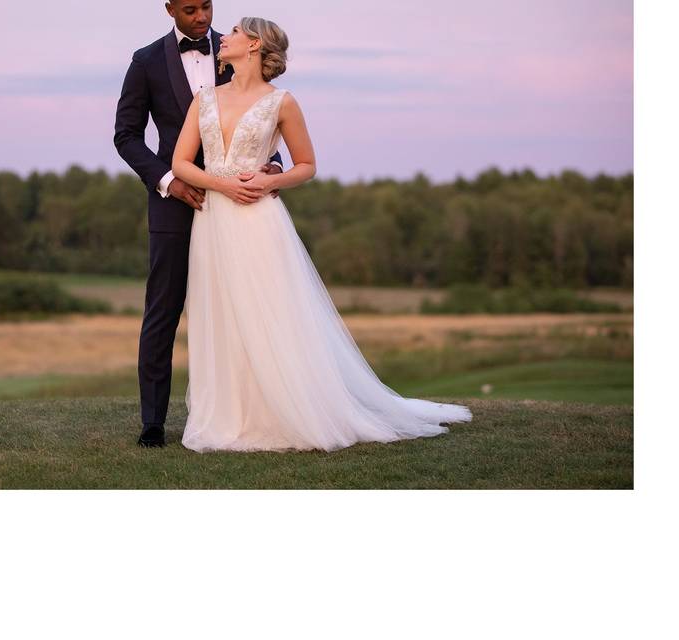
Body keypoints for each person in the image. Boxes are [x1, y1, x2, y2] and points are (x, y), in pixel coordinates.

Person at [171, 17, 474, 452]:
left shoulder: (283, 103)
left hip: (258, 220)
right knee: (220, 313)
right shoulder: (203, 99)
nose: (226, 37)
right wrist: (221, 184)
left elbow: (306, 165)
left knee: (268, 314)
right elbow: (182, 163)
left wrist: (268, 182)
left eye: (236, 31)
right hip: (213, 217)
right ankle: (227, 414)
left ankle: (281, 410)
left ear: (253, 45)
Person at [114, 1, 283, 447]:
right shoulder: (146, 61)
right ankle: (153, 422)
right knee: (163, 310)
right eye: (190, 9)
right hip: (173, 202)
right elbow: (126, 135)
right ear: (169, 9)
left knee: (249, 307)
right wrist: (168, 181)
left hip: (241, 203)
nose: (202, 17)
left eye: (207, 6)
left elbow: (265, 114)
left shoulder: (237, 49)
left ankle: (251, 413)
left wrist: (272, 166)